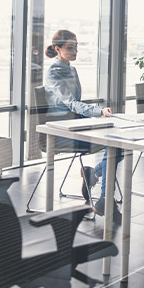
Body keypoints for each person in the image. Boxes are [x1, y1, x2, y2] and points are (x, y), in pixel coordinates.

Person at [45, 29, 122, 224]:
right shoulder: (53, 72)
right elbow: (71, 103)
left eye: (76, 47)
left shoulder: (72, 70)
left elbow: (76, 105)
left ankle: (94, 175)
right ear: (57, 48)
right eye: (70, 48)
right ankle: (104, 197)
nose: (75, 51)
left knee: (119, 143)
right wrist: (98, 111)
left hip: (77, 125)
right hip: (62, 131)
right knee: (113, 145)